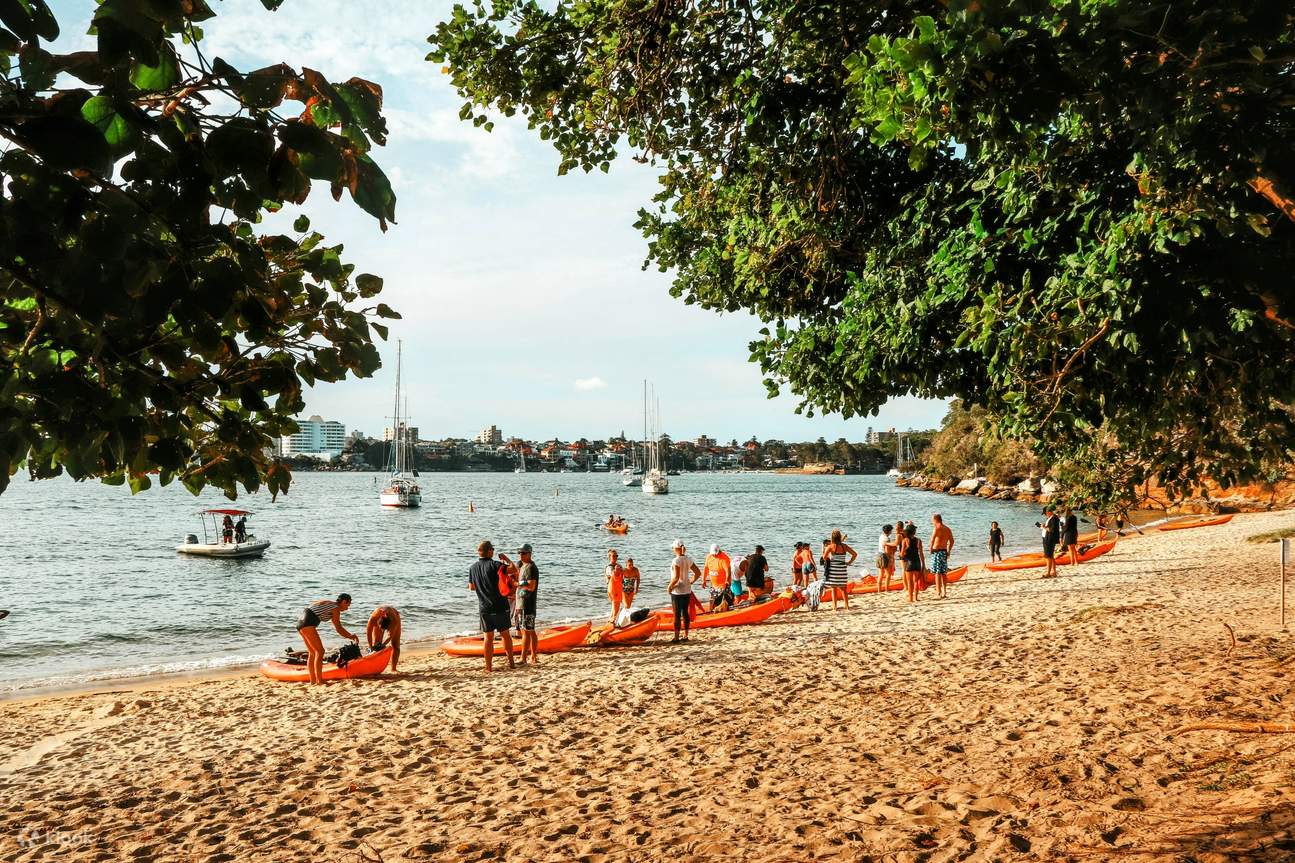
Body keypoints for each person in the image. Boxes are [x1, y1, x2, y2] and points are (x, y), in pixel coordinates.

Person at [468, 540, 515, 672]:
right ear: (489, 551)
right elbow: (513, 568)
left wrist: (482, 585)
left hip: (484, 607)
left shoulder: (473, 568)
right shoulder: (495, 565)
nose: (493, 551)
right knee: (505, 635)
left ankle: (488, 667)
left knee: (488, 638)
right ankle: (511, 663)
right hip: (500, 605)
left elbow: (471, 587)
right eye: (492, 550)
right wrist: (506, 558)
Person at [295, 594, 358, 685]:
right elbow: (338, 628)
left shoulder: (330, 603)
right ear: (344, 602)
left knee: (313, 653)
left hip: (300, 623)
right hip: (308, 624)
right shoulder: (336, 608)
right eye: (348, 605)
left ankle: (313, 681)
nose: (348, 608)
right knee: (320, 652)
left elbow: (312, 608)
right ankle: (319, 681)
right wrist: (351, 636)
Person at [667, 539, 702, 643]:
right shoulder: (688, 559)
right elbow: (698, 573)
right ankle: (686, 635)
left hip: (677, 590)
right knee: (685, 613)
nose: (672, 549)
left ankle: (676, 637)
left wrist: (669, 586)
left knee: (677, 614)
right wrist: (691, 581)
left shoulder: (676, 560)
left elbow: (676, 577)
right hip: (687, 589)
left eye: (673, 547)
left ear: (676, 548)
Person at [515, 543, 540, 667]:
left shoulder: (531, 567)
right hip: (522, 603)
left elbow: (531, 586)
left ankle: (524, 657)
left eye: (523, 553)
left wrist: (517, 584)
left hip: (527, 603)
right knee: (530, 630)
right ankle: (533, 656)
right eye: (520, 553)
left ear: (530, 553)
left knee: (526, 631)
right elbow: (514, 569)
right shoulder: (522, 566)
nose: (521, 555)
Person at [824, 530, 856, 610]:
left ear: (832, 537)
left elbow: (824, 557)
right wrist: (849, 562)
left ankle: (834, 607)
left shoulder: (830, 546)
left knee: (834, 588)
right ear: (839, 537)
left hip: (833, 569)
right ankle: (847, 606)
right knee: (843, 588)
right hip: (842, 569)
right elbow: (854, 554)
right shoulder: (844, 546)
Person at [366, 605, 402, 672]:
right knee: (376, 645)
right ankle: (375, 668)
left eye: (385, 629)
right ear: (377, 622)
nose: (382, 631)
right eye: (381, 628)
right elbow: (368, 633)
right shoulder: (373, 618)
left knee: (395, 645)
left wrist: (383, 644)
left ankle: (393, 669)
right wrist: (370, 647)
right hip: (380, 620)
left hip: (394, 615)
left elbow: (390, 636)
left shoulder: (394, 620)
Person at [929, 514, 954, 599]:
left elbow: (932, 540)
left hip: (937, 552)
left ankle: (938, 592)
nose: (932, 522)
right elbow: (952, 541)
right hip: (944, 551)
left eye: (932, 520)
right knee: (943, 573)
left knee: (937, 573)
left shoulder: (937, 528)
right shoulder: (947, 529)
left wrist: (930, 549)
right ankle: (944, 592)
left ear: (936, 520)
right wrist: (949, 550)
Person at [703, 544, 734, 611]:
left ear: (719, 551)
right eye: (713, 554)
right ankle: (710, 612)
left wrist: (727, 580)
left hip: (723, 585)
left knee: (726, 601)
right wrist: (703, 580)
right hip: (714, 585)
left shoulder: (724, 558)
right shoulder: (709, 556)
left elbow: (728, 571)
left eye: (715, 554)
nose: (714, 555)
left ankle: (729, 611)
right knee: (712, 599)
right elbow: (706, 568)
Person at [901, 523, 926, 603]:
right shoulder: (918, 541)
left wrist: (902, 557)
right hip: (917, 562)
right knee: (916, 581)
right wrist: (923, 564)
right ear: (914, 532)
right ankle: (916, 598)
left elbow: (902, 553)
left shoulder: (905, 540)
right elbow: (921, 553)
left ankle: (911, 598)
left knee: (910, 582)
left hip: (909, 562)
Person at [605, 549, 626, 622]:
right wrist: (618, 571)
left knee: (615, 607)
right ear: (609, 557)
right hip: (613, 589)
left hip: (618, 587)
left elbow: (622, 577)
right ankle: (612, 622)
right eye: (613, 556)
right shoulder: (609, 567)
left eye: (616, 556)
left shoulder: (619, 566)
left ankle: (610, 622)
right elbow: (614, 576)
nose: (615, 557)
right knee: (615, 607)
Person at [1040, 508, 1061, 578]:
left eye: (1045, 513)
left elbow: (1052, 530)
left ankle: (1048, 573)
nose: (1045, 515)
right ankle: (1053, 571)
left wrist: (1044, 527)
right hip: (1047, 538)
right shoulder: (1052, 518)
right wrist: (1045, 526)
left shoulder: (1053, 519)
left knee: (1048, 556)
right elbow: (1050, 528)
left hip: (1049, 539)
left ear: (1049, 512)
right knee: (1050, 556)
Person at [876, 525, 894, 592]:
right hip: (884, 555)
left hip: (879, 554)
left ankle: (879, 590)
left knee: (880, 573)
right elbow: (887, 550)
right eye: (891, 530)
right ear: (889, 531)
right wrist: (890, 559)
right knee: (888, 573)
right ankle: (887, 589)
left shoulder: (881, 536)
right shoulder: (887, 539)